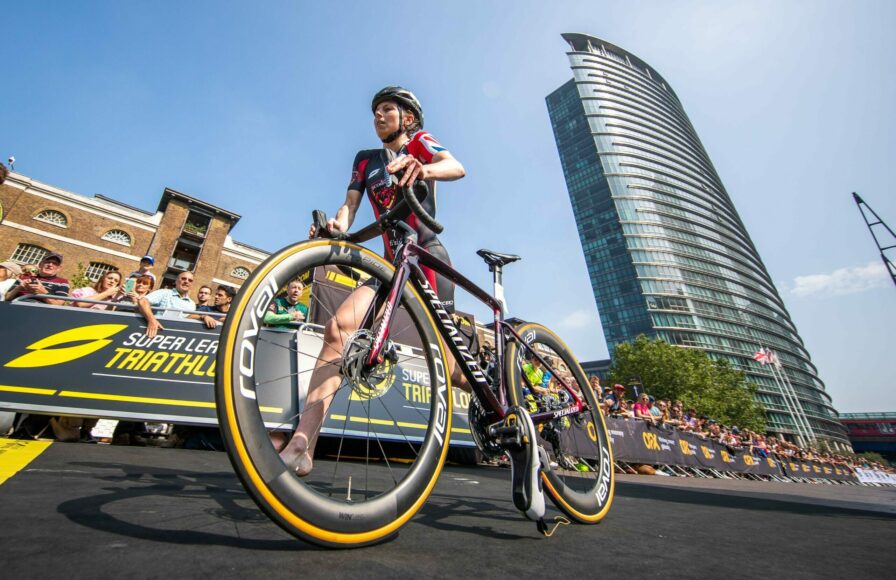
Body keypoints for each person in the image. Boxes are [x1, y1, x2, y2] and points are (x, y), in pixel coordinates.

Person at [279, 86, 466, 476]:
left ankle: (499, 394)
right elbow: (349, 206)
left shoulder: (419, 143)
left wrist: (423, 168)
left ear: (407, 117)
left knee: (451, 367)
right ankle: (302, 442)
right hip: (390, 265)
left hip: (426, 258)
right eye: (375, 111)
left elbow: (455, 166)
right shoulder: (365, 161)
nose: (378, 116)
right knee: (338, 328)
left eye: (386, 110)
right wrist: (337, 226)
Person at [137, 271, 196, 338]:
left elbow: (188, 318)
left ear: (192, 284)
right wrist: (152, 320)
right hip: (156, 333)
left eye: (190, 280)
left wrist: (203, 316)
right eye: (183, 278)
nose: (186, 281)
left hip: (174, 338)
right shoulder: (164, 293)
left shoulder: (192, 304)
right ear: (176, 281)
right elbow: (143, 301)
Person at [4, 252, 70, 305]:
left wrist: (43, 293)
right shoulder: (24, 277)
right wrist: (19, 287)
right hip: (16, 307)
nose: (50, 265)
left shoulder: (62, 282)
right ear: (40, 264)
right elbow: (6, 298)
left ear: (59, 268)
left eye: (55, 263)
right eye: (47, 262)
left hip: (39, 312)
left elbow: (58, 304)